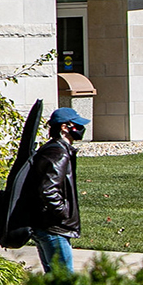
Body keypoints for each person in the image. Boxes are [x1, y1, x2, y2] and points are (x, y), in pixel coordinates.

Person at [24, 107, 88, 275]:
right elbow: (48, 190)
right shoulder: (58, 152)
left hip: (47, 226)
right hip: (53, 228)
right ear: (64, 127)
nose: (80, 129)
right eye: (76, 125)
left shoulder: (54, 149)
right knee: (63, 280)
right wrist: (62, 214)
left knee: (54, 279)